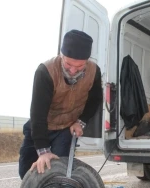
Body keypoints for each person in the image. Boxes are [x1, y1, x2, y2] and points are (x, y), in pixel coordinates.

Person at [18, 29, 103, 179]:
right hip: (42, 125)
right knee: (27, 172)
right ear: (62, 55)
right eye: (69, 64)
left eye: (79, 66)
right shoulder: (45, 72)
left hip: (66, 128)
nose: (72, 70)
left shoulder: (94, 72)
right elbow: (38, 113)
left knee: (59, 169)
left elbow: (95, 99)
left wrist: (80, 122)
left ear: (87, 60)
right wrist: (43, 152)